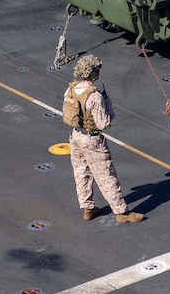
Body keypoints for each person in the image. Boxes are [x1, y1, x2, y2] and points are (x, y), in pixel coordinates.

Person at [62, 55, 146, 223]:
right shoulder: (95, 96)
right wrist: (108, 104)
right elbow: (103, 123)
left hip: (76, 136)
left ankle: (88, 208)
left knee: (81, 172)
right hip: (92, 139)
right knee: (106, 175)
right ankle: (122, 212)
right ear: (94, 73)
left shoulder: (70, 89)